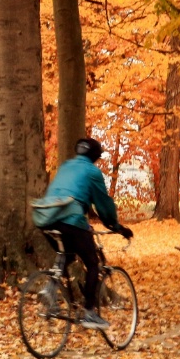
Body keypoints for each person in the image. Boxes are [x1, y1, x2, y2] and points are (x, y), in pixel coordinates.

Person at [39, 137, 133, 330]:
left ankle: (50, 288)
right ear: (95, 156)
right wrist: (118, 227)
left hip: (46, 218)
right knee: (93, 264)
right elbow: (104, 205)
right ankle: (89, 312)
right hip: (71, 220)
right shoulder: (92, 172)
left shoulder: (65, 166)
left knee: (67, 254)